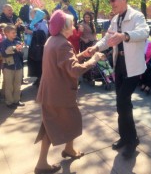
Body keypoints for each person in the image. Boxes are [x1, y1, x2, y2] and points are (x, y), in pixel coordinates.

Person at [34, 10, 103, 174]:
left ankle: (63, 152)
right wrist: (93, 60)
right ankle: (46, 161)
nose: (74, 28)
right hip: (59, 95)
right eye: (72, 25)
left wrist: (82, 55)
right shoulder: (63, 43)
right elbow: (74, 71)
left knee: (50, 126)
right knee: (69, 122)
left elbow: (64, 62)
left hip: (50, 93)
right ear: (64, 27)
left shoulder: (52, 40)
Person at [88, 0, 149, 159]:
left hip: (133, 68)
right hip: (120, 66)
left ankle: (132, 140)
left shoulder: (137, 16)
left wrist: (124, 36)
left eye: (113, 0)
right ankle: (125, 137)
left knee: (123, 102)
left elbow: (144, 33)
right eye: (110, 0)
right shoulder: (115, 19)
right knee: (121, 104)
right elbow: (107, 40)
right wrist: (95, 47)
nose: (111, 4)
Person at [1, 25, 24, 109]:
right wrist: (14, 48)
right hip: (8, 67)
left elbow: (22, 55)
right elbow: (3, 54)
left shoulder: (17, 41)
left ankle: (16, 100)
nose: (15, 34)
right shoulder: (4, 43)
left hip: (18, 66)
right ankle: (9, 102)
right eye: (13, 33)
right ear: (6, 33)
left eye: (15, 32)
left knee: (17, 84)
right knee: (9, 85)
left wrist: (20, 49)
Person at [26, 9, 48, 86]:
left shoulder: (43, 23)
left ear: (37, 15)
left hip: (40, 48)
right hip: (34, 47)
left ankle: (41, 80)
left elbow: (44, 35)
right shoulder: (33, 22)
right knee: (34, 63)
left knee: (40, 64)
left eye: (32, 14)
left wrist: (31, 32)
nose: (31, 16)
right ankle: (38, 78)